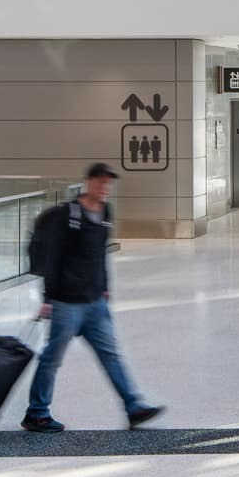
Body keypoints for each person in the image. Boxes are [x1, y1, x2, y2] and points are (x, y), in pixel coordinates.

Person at [22, 164, 164, 433]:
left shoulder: (106, 212)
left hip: (94, 303)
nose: (105, 188)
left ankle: (133, 406)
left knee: (111, 355)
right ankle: (37, 413)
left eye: (108, 184)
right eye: (100, 183)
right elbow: (53, 257)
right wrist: (48, 297)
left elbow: (101, 255)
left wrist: (105, 286)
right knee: (52, 358)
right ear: (88, 183)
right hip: (66, 303)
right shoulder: (69, 215)